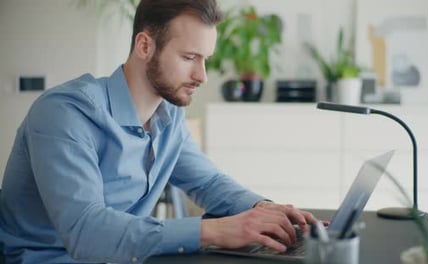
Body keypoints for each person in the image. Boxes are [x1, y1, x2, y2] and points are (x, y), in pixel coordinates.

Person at [0, 0, 319, 263]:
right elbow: (87, 232)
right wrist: (216, 231)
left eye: (205, 59)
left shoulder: (169, 115)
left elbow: (208, 181)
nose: (202, 76)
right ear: (144, 45)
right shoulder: (65, 112)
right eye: (189, 58)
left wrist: (265, 211)